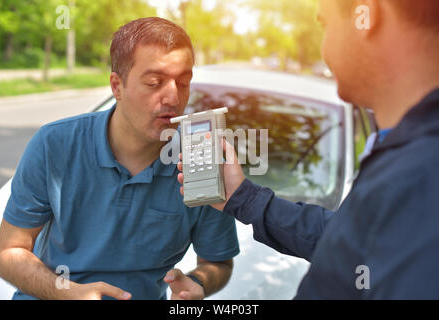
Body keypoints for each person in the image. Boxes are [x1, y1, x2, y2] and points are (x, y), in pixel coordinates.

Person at [176, 0, 439, 299]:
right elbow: (351, 240)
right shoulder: (411, 160)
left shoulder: (422, 178)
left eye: (325, 24)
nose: (323, 49)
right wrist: (242, 198)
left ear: (368, 14)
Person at [0, 17, 239, 300]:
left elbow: (217, 262)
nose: (173, 97)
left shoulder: (200, 160)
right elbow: (8, 253)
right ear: (116, 86)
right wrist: (67, 293)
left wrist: (199, 282)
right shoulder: (55, 144)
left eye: (183, 83)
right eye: (154, 82)